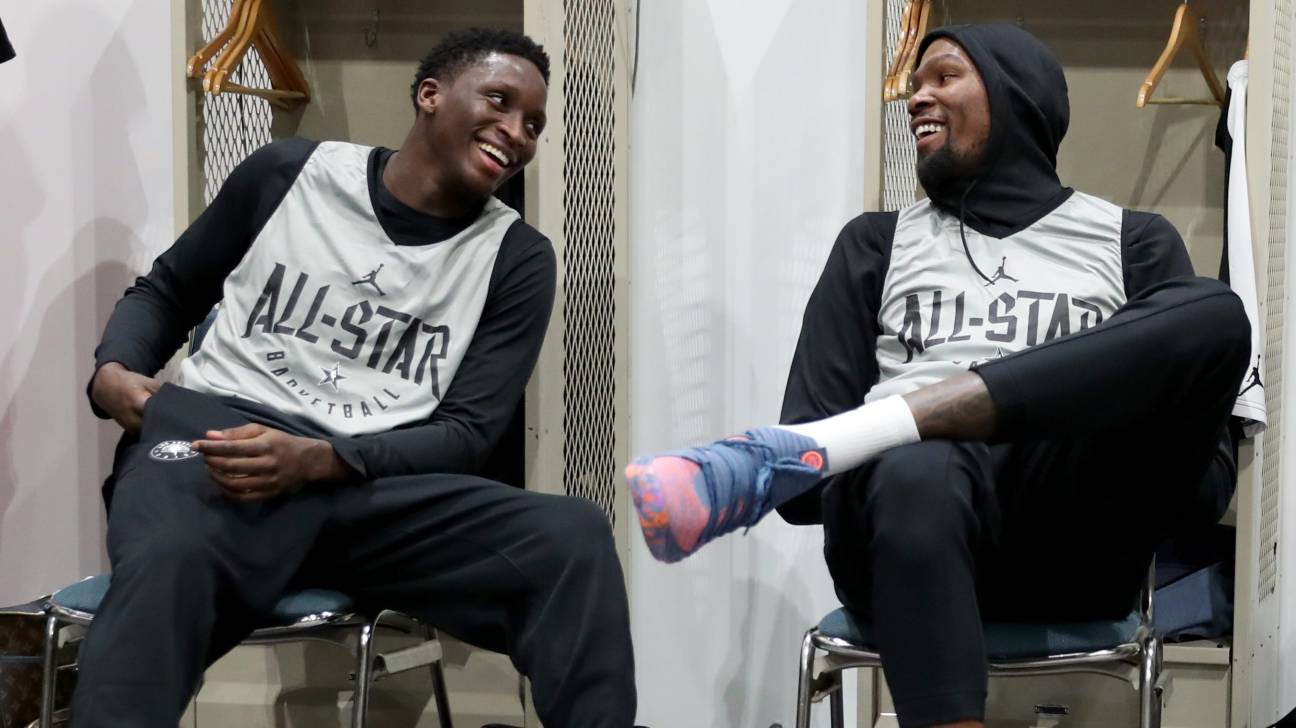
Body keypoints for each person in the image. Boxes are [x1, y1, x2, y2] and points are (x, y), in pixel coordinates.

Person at [625, 24, 1246, 728]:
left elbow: (1203, 488)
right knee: (921, 466)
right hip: (904, 532)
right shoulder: (875, 244)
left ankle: (899, 418)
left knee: (1216, 313)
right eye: (915, 85)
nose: (917, 97)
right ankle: (910, 433)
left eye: (944, 77)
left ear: (1018, 97)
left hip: (1074, 542)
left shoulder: (1133, 242)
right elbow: (804, 498)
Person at [78, 28, 635, 728]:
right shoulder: (289, 174)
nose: (517, 132)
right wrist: (113, 370)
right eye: (499, 100)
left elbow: (467, 434)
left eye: (533, 124)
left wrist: (323, 459)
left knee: (571, 537)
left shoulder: (517, 258)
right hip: (219, 450)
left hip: (360, 484)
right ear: (430, 94)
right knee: (170, 558)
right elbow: (166, 291)